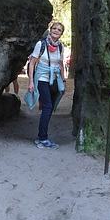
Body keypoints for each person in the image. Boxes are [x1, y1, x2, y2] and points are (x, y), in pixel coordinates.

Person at [27, 21, 66, 149]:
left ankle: (41, 136)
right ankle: (43, 139)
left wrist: (63, 81)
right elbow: (32, 63)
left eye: (59, 30)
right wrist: (31, 81)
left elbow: (60, 65)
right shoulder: (41, 44)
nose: (56, 31)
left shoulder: (60, 47)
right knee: (47, 107)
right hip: (42, 79)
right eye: (54, 28)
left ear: (61, 33)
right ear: (50, 30)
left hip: (54, 79)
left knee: (50, 107)